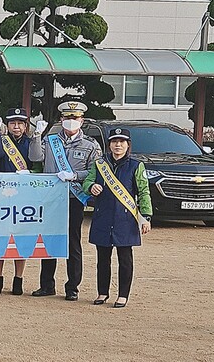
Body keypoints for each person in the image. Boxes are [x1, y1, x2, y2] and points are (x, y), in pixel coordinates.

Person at [28, 101, 102, 301]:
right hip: (51, 200)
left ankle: (72, 287)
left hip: (73, 198)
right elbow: (35, 157)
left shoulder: (90, 145)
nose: (71, 121)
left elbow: (95, 172)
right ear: (61, 120)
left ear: (82, 120)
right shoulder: (50, 140)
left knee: (72, 243)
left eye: (75, 118)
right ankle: (46, 285)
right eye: (67, 118)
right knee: (49, 240)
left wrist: (74, 175)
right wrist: (36, 136)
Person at [82, 128, 152, 308]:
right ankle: (102, 292)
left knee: (125, 258)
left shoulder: (136, 166)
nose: (118, 145)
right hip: (103, 216)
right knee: (102, 259)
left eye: (122, 142)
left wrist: (146, 216)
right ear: (109, 144)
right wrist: (91, 187)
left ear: (128, 145)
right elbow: (87, 182)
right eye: (114, 141)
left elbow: (144, 192)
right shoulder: (99, 164)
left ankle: (123, 295)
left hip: (125, 219)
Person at [0, 107, 41, 295]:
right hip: (1, 197)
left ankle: (18, 279)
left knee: (20, 239)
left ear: (25, 125)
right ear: (7, 125)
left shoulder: (30, 142)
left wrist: (30, 173)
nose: (16, 127)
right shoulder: (2, 140)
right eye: (12, 123)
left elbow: (38, 165)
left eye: (20, 123)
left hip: (24, 198)